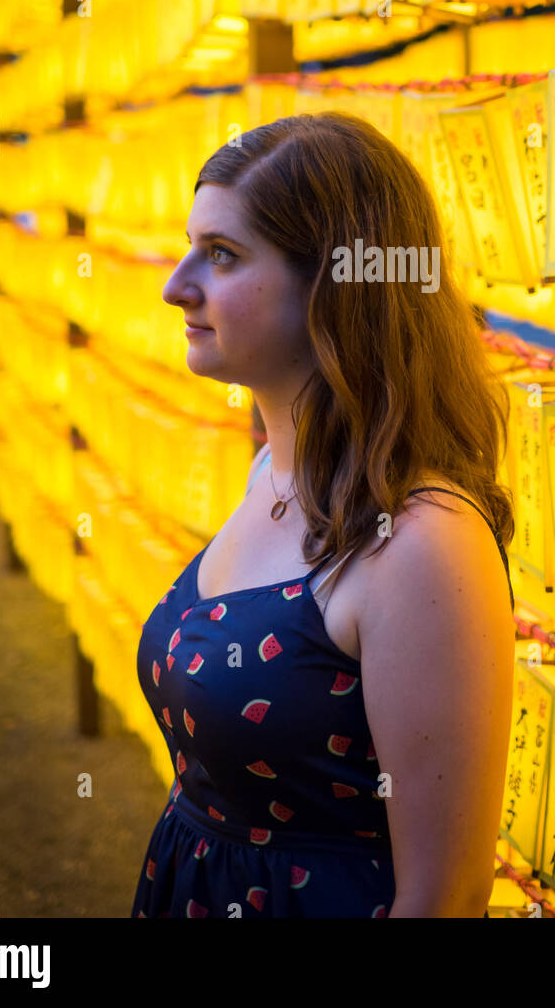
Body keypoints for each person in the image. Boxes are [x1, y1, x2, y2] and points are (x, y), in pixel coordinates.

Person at [131, 111, 516, 919]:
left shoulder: (423, 545)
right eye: (191, 246)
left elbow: (445, 898)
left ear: (336, 285)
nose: (177, 286)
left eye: (223, 256)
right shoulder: (270, 471)